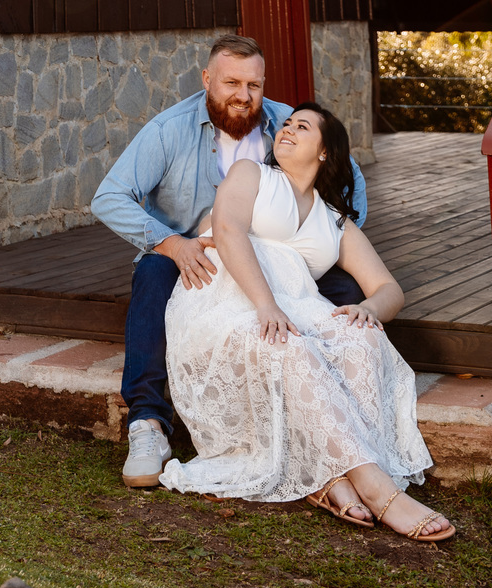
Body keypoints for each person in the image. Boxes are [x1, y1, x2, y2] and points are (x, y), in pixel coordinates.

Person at [159, 103, 451, 541]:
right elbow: (228, 231)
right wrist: (265, 304)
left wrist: (369, 310)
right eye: (287, 124)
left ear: (325, 153)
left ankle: (334, 478)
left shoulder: (334, 221)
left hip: (297, 307)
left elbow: (389, 289)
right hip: (225, 302)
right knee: (288, 347)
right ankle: (377, 488)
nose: (287, 130)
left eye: (303, 126)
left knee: (362, 341)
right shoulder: (251, 175)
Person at [91, 35, 367, 493]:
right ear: (207, 80)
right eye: (231, 83)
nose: (243, 96)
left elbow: (348, 178)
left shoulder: (287, 124)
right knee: (151, 276)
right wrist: (172, 243)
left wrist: (321, 242)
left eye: (253, 84)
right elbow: (109, 197)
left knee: (346, 294)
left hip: (279, 262)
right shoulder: (169, 129)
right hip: (196, 256)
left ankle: (331, 412)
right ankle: (147, 424)